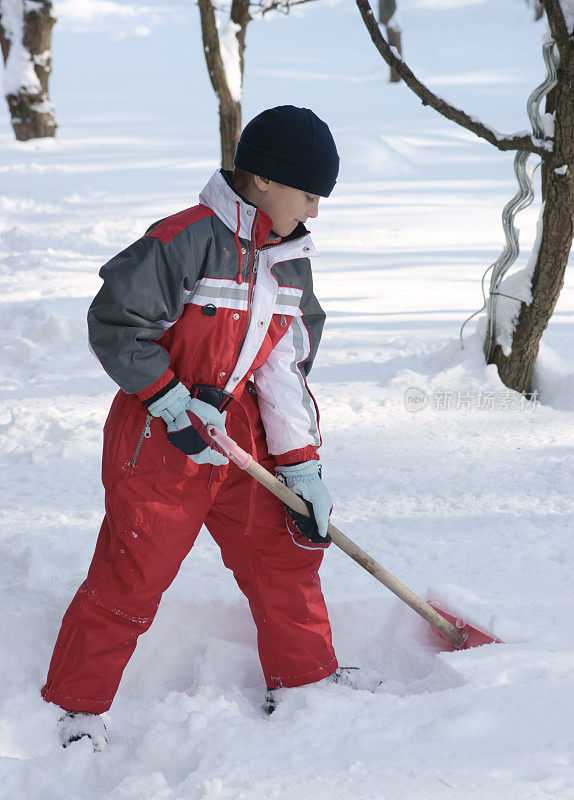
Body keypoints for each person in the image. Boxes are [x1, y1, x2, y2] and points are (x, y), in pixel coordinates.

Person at [42, 105, 356, 751]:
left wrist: (300, 462)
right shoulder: (183, 239)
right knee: (135, 571)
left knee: (283, 556)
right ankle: (77, 705)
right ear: (264, 180)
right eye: (309, 194)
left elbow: (283, 366)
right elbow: (118, 324)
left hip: (241, 428)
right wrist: (169, 400)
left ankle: (304, 683)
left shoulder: (290, 259)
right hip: (161, 433)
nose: (315, 211)